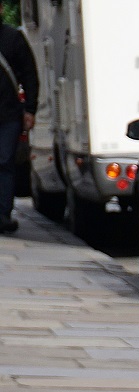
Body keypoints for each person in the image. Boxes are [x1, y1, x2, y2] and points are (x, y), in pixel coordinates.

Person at [0, 0, 36, 234]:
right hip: (9, 115)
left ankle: (3, 214)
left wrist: (30, 109)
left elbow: (30, 75)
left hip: (8, 115)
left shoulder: (13, 38)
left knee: (4, 162)